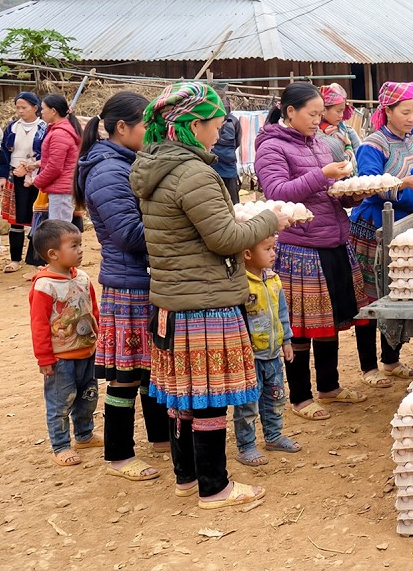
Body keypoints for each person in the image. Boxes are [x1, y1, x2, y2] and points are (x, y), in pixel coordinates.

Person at [130, 81, 291, 509]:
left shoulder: (154, 164)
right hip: (204, 303)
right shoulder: (194, 172)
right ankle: (215, 487)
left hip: (171, 299)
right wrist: (269, 220)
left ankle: (187, 478)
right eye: (217, 121)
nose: (222, 128)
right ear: (194, 124)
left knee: (183, 398)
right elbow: (223, 237)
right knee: (209, 399)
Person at [255, 82, 374, 418]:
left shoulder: (322, 143)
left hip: (333, 239)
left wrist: (353, 193)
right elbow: (277, 190)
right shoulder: (271, 147)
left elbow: (328, 192)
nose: (317, 120)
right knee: (302, 327)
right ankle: (301, 397)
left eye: (321, 114)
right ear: (289, 111)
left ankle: (329, 387)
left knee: (329, 321)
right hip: (300, 246)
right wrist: (322, 175)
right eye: (312, 114)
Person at [75, 91, 166, 481]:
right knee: (125, 375)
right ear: (122, 128)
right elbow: (130, 233)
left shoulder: (126, 162)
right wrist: (178, 227)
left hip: (142, 279)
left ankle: (161, 438)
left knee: (150, 368)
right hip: (128, 284)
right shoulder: (107, 171)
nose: (153, 132)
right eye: (146, 124)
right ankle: (118, 455)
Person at [351, 82, 413, 362]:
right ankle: (368, 366)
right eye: (405, 112)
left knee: (397, 291)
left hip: (405, 225)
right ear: (388, 111)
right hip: (375, 227)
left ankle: (391, 360)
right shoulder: (373, 145)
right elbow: (369, 184)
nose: (411, 118)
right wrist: (403, 183)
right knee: (371, 297)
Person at [29, 219, 99, 468]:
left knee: (87, 397)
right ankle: (60, 445)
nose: (81, 249)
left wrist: (98, 339)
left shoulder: (83, 277)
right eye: (74, 245)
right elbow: (39, 326)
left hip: (87, 352)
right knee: (61, 402)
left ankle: (84, 435)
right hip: (60, 359)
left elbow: (92, 311)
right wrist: (45, 359)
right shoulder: (44, 285)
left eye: (81, 244)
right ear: (53, 254)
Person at [232, 234, 301, 466]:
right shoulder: (241, 284)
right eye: (268, 249)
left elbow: (282, 313)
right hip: (250, 355)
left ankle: (273, 436)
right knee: (247, 404)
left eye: (274, 248)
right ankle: (246, 446)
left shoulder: (273, 280)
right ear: (247, 254)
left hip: (272, 354)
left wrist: (287, 340)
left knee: (275, 397)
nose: (273, 253)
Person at [0, 92, 46, 271]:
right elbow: (4, 153)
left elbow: (47, 152)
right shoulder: (13, 128)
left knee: (39, 216)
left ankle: (38, 260)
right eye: (18, 107)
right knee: (16, 219)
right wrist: (2, 176)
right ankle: (15, 260)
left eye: (24, 107)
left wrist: (31, 167)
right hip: (16, 174)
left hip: (38, 176)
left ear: (35, 108)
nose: (20, 111)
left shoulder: (45, 127)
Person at [33, 94, 81, 223]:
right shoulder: (59, 131)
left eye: (43, 109)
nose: (41, 112)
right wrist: (37, 165)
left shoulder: (59, 133)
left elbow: (55, 167)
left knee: (60, 230)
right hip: (61, 188)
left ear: (53, 111)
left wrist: (37, 181)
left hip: (61, 190)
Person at [317, 83, 361, 173]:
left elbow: (361, 157)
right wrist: (348, 146)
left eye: (343, 111)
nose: (341, 115)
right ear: (324, 110)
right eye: (338, 111)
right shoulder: (313, 133)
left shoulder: (348, 132)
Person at [210, 94, 242, 204]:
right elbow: (238, 141)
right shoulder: (234, 121)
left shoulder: (233, 121)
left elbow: (237, 142)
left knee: (231, 199)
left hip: (224, 163)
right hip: (219, 162)